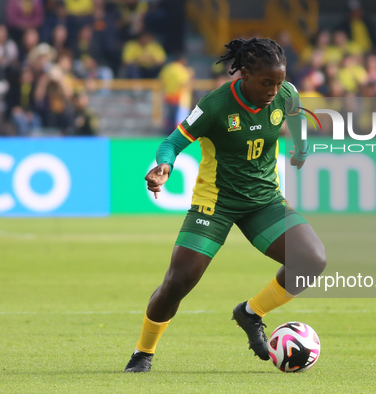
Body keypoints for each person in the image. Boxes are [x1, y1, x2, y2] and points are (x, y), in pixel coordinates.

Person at [124, 37, 327, 373]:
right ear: (244, 74)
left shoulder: (285, 93)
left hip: (263, 200)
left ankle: (250, 313)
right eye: (266, 83)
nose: (274, 90)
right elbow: (173, 142)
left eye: (278, 82)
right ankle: (143, 353)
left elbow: (295, 115)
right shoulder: (217, 105)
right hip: (215, 202)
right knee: (180, 280)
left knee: (312, 260)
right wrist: (164, 166)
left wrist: (301, 146)